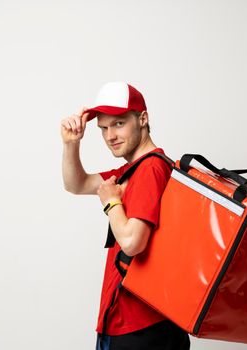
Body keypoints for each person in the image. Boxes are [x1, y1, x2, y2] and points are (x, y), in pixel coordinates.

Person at [61, 82, 190, 350]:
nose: (110, 136)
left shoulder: (151, 168)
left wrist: (111, 202)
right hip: (128, 322)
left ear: (142, 119)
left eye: (119, 124)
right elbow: (77, 183)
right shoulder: (132, 170)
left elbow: (133, 241)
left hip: (141, 328)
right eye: (104, 128)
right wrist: (71, 144)